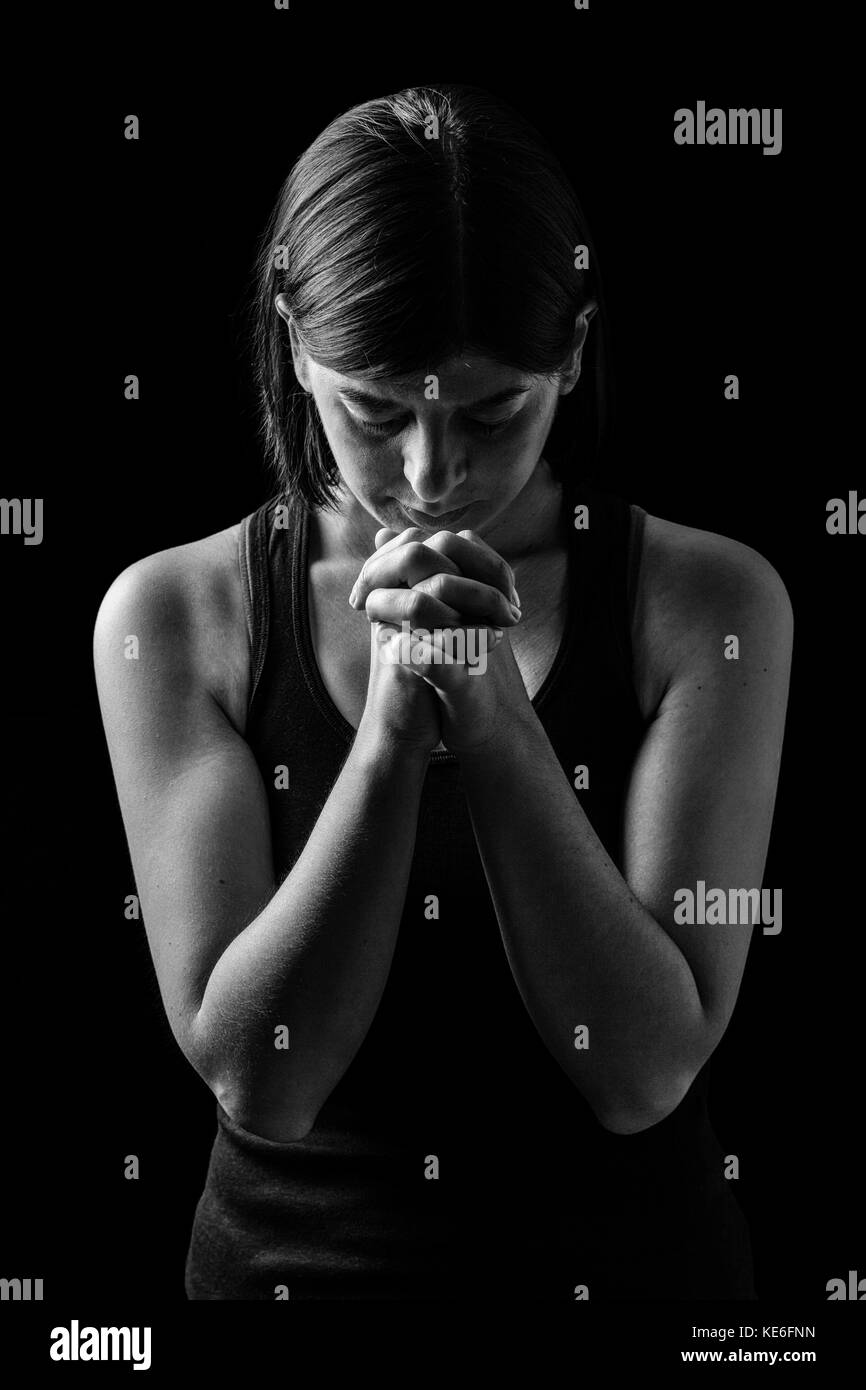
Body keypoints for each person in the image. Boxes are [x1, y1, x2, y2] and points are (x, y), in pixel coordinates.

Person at [93, 84, 793, 1300]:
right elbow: (262, 1078)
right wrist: (384, 734)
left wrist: (492, 712)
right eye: (375, 410)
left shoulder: (708, 604)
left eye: (489, 412)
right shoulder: (173, 615)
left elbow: (640, 1073)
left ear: (570, 356)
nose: (428, 474)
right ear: (294, 345)